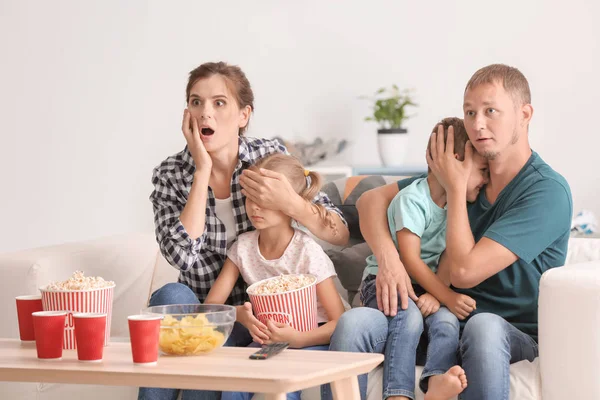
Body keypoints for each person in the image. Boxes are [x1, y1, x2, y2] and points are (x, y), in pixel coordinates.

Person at [323, 64, 572, 400]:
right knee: (353, 324)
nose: (477, 124)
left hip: (504, 331)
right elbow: (370, 201)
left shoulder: (545, 191)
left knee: (484, 327)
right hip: (436, 319)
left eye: (490, 111)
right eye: (469, 112)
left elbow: (465, 271)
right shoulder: (463, 170)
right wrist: (389, 259)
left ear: (524, 114)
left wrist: (455, 189)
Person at [144, 61, 349, 400]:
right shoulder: (170, 174)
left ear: (243, 115)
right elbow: (181, 255)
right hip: (212, 308)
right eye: (196, 102)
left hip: (263, 321)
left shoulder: (267, 157)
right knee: (169, 298)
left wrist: (291, 202)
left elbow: (339, 233)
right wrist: (201, 170)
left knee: (223, 366)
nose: (205, 113)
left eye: (219, 102)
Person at [204, 153, 348, 400]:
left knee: (282, 388)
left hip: (314, 336)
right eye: (250, 198)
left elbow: (339, 321)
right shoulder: (243, 248)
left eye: (265, 200)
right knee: (231, 387)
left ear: (288, 202)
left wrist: (299, 339)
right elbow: (210, 308)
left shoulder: (306, 251)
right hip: (270, 342)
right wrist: (239, 315)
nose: (255, 207)